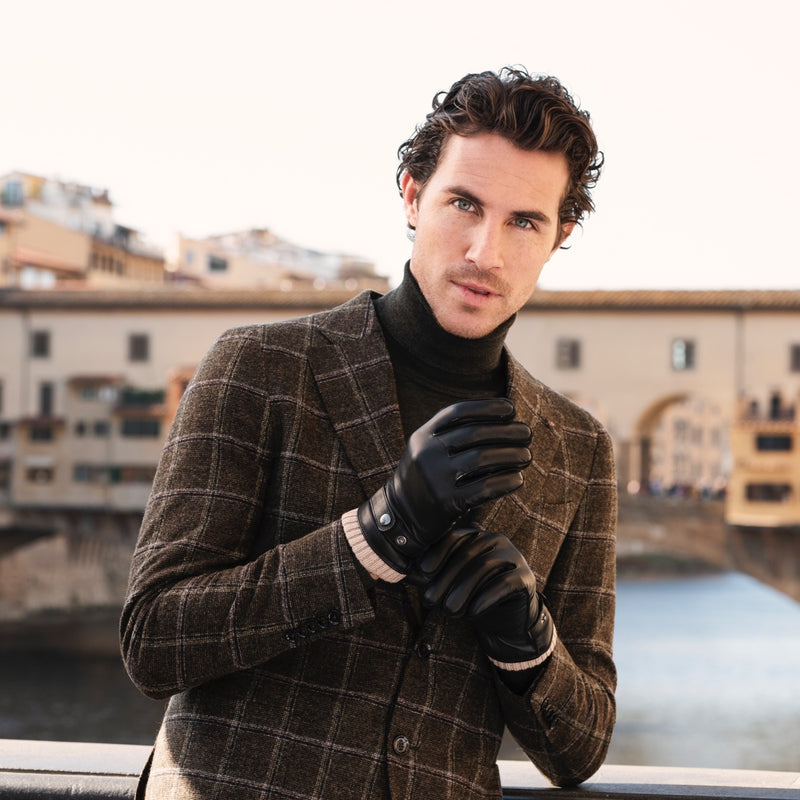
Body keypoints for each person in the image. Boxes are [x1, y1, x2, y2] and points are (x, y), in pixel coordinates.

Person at [120, 66, 617, 799]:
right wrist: (374, 539)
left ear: (559, 236)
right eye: (464, 204)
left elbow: (580, 752)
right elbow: (153, 642)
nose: (486, 252)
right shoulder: (259, 367)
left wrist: (528, 641)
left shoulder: (578, 449)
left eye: (524, 221)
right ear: (412, 197)